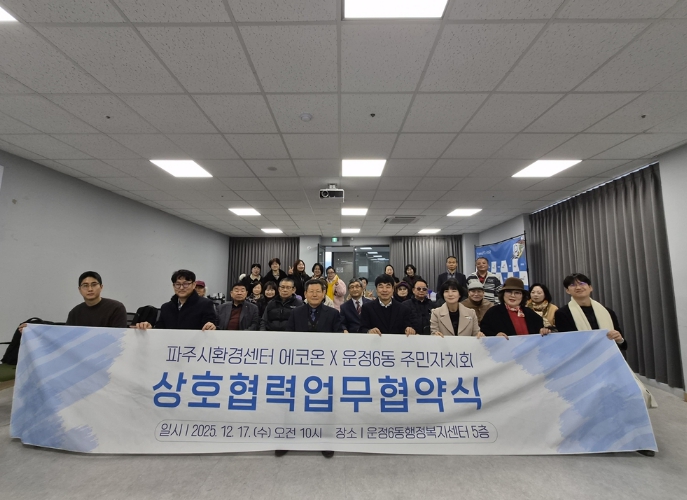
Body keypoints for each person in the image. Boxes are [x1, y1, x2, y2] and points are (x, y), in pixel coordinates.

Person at [279, 278, 340, 460]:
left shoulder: (333, 313)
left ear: (324, 293)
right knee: (294, 402)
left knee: (323, 404)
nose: (314, 294)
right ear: (304, 294)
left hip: (324, 367)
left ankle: (325, 440)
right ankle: (287, 439)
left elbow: (338, 338)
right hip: (300, 366)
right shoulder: (296, 312)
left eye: (318, 291)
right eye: (311, 291)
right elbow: (289, 336)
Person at [18, 271, 127, 332]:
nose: (90, 289)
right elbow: (67, 337)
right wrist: (31, 330)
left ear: (101, 287)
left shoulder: (116, 308)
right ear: (80, 289)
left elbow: (120, 337)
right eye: (85, 285)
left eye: (94, 285)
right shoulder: (75, 312)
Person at [554, 274, 625, 349]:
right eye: (573, 285)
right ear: (567, 291)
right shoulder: (562, 314)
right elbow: (567, 344)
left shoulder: (608, 312)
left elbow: (623, 345)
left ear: (590, 288)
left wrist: (620, 340)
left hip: (608, 354)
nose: (578, 287)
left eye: (582, 283)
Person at [133, 269, 217, 331]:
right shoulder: (166, 307)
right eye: (177, 284)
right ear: (173, 286)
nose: (181, 288)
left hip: (194, 347)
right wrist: (149, 328)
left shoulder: (205, 304)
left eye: (186, 284)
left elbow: (213, 328)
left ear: (194, 285)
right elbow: (160, 330)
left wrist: (212, 326)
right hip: (170, 347)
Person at [480, 278, 550, 338]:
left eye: (517, 293)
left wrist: (543, 331)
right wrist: (495, 335)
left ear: (522, 296)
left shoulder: (531, 314)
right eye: (509, 292)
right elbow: (484, 332)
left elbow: (539, 331)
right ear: (503, 294)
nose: (513, 295)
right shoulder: (493, 313)